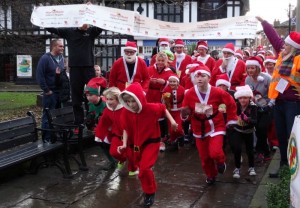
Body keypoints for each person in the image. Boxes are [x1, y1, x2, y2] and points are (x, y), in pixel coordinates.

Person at [117, 82, 178, 207]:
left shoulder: (150, 108)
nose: (130, 104)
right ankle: (148, 189)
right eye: (127, 101)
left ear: (139, 98)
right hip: (136, 145)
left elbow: (163, 108)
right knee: (142, 170)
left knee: (144, 169)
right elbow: (125, 129)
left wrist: (172, 121)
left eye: (133, 101)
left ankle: (150, 192)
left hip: (152, 142)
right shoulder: (126, 112)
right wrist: (124, 144)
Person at [180, 64, 238, 185]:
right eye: (197, 76)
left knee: (215, 152)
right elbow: (186, 110)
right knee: (205, 158)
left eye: (203, 76)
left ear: (209, 78)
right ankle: (211, 175)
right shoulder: (189, 93)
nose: (200, 79)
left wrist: (232, 119)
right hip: (198, 128)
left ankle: (221, 162)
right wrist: (185, 114)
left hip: (216, 125)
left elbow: (231, 103)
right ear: (194, 79)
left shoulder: (217, 92)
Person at [46, 23, 102, 125]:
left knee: (92, 95)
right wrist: (42, 21)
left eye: (88, 23)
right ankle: (78, 122)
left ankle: (92, 120)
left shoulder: (92, 31)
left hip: (88, 68)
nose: (86, 25)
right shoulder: (69, 32)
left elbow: (103, 24)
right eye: (84, 22)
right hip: (75, 69)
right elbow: (53, 29)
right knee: (76, 97)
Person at [268, 31, 300, 176]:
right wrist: (264, 23)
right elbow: (275, 39)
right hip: (279, 102)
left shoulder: (298, 58)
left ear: (293, 47)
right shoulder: (283, 56)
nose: (284, 46)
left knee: (292, 136)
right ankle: (283, 166)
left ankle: (295, 171)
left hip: (293, 103)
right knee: (281, 135)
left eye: (287, 44)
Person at [95, 87, 138, 175]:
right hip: (116, 135)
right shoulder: (107, 110)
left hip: (130, 137)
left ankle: (133, 169)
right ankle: (122, 159)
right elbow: (103, 122)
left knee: (132, 154)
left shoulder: (125, 109)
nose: (109, 102)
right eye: (107, 99)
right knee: (113, 152)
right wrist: (99, 135)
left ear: (118, 99)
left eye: (111, 99)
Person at [146, 51, 176, 151]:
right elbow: (143, 80)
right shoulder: (149, 69)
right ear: (156, 60)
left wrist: (165, 83)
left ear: (166, 61)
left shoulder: (169, 72)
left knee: (161, 117)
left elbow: (174, 84)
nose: (160, 62)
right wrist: (149, 81)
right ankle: (150, 138)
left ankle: (161, 139)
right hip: (149, 95)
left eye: (163, 61)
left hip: (161, 96)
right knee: (150, 117)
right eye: (159, 60)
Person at [36, 39, 65, 142]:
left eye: (63, 46)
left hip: (59, 93)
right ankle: (46, 139)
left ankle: (54, 136)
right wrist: (47, 90)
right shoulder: (45, 58)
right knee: (47, 116)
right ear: (54, 46)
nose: (62, 48)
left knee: (56, 115)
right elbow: (40, 75)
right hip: (50, 93)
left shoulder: (61, 58)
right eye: (60, 46)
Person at [245, 56, 272, 162]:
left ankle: (263, 151)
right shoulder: (247, 79)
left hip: (267, 107)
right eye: (248, 68)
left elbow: (273, 93)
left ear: (258, 68)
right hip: (254, 108)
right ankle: (262, 151)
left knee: (262, 129)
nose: (250, 70)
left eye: (252, 68)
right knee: (256, 130)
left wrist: (268, 105)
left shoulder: (266, 78)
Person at [230, 85, 257, 179]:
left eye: (245, 98)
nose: (242, 100)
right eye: (240, 98)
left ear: (249, 98)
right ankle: (237, 168)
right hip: (238, 130)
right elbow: (230, 114)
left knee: (250, 150)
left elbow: (255, 121)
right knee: (237, 149)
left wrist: (247, 119)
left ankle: (251, 167)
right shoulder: (236, 105)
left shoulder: (253, 106)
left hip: (249, 131)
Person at [162, 75, 185, 149]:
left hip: (178, 111)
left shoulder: (182, 89)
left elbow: (185, 99)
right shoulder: (166, 89)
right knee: (171, 130)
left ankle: (181, 135)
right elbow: (163, 101)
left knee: (178, 128)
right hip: (170, 112)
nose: (172, 83)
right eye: (171, 81)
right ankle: (173, 142)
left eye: (174, 81)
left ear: (177, 82)